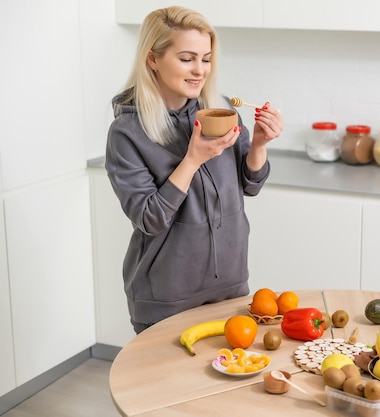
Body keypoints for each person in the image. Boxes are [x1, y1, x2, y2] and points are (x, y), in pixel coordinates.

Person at [105, 6, 283, 334]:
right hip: (166, 295)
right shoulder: (127, 132)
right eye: (187, 58)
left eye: (206, 58)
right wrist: (192, 160)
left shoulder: (222, 111)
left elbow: (251, 184)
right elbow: (149, 219)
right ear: (153, 59)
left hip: (229, 286)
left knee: (230, 382)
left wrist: (258, 144)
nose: (199, 70)